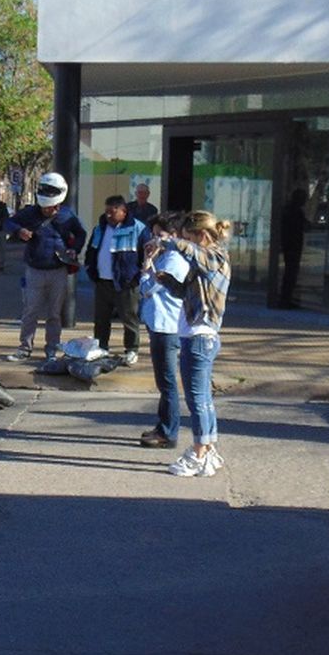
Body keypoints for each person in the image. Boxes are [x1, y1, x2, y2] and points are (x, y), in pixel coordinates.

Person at [154, 210, 231, 477]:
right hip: (197, 336)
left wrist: (169, 240)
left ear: (202, 235)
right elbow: (186, 291)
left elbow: (194, 253)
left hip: (200, 338)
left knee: (197, 399)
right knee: (203, 398)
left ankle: (199, 453)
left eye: (190, 237)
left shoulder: (215, 256)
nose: (187, 243)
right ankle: (208, 448)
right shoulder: (204, 262)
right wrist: (166, 280)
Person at [3, 172, 86, 362]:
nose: (48, 210)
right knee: (30, 311)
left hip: (58, 270)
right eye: (45, 207)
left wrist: (74, 249)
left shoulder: (67, 215)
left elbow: (81, 233)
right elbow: (8, 222)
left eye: (51, 207)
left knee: (54, 314)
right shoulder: (30, 212)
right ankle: (25, 347)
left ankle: (52, 349)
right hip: (35, 270)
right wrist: (19, 230)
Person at [138, 212, 188, 449]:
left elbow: (147, 288)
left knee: (167, 382)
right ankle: (163, 426)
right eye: (153, 234)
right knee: (163, 381)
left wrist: (147, 264)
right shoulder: (166, 257)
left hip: (167, 327)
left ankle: (169, 432)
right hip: (158, 324)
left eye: (160, 235)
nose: (155, 239)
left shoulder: (173, 262)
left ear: (174, 236)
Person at [84, 194, 149, 364]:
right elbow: (92, 250)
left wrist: (138, 276)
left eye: (112, 212)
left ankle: (131, 349)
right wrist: (90, 268)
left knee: (129, 317)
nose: (108, 215)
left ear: (123, 211)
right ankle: (101, 347)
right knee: (101, 318)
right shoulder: (100, 228)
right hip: (102, 281)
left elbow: (146, 254)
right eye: (106, 212)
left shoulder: (138, 229)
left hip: (126, 283)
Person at [278, 187, 309, 309]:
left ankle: (287, 298)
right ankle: (285, 299)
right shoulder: (294, 212)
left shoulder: (290, 210)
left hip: (291, 246)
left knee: (290, 273)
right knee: (290, 273)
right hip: (292, 246)